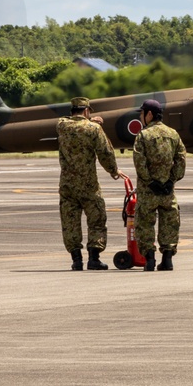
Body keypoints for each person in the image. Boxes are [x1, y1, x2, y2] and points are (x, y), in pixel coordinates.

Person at [57, 96, 127, 271]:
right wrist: (113, 171)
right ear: (87, 111)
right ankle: (94, 258)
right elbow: (105, 152)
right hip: (88, 185)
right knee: (96, 219)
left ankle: (76, 260)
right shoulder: (94, 129)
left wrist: (88, 120)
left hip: (67, 185)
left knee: (70, 222)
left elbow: (69, 121)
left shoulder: (62, 126)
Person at [133, 99, 187, 271]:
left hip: (148, 191)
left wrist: (149, 181)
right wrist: (171, 180)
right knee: (169, 222)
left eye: (142, 113)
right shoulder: (173, 134)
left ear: (149, 114)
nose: (141, 117)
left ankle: (149, 260)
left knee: (144, 223)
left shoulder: (143, 135)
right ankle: (167, 259)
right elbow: (181, 159)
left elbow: (139, 162)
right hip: (167, 191)